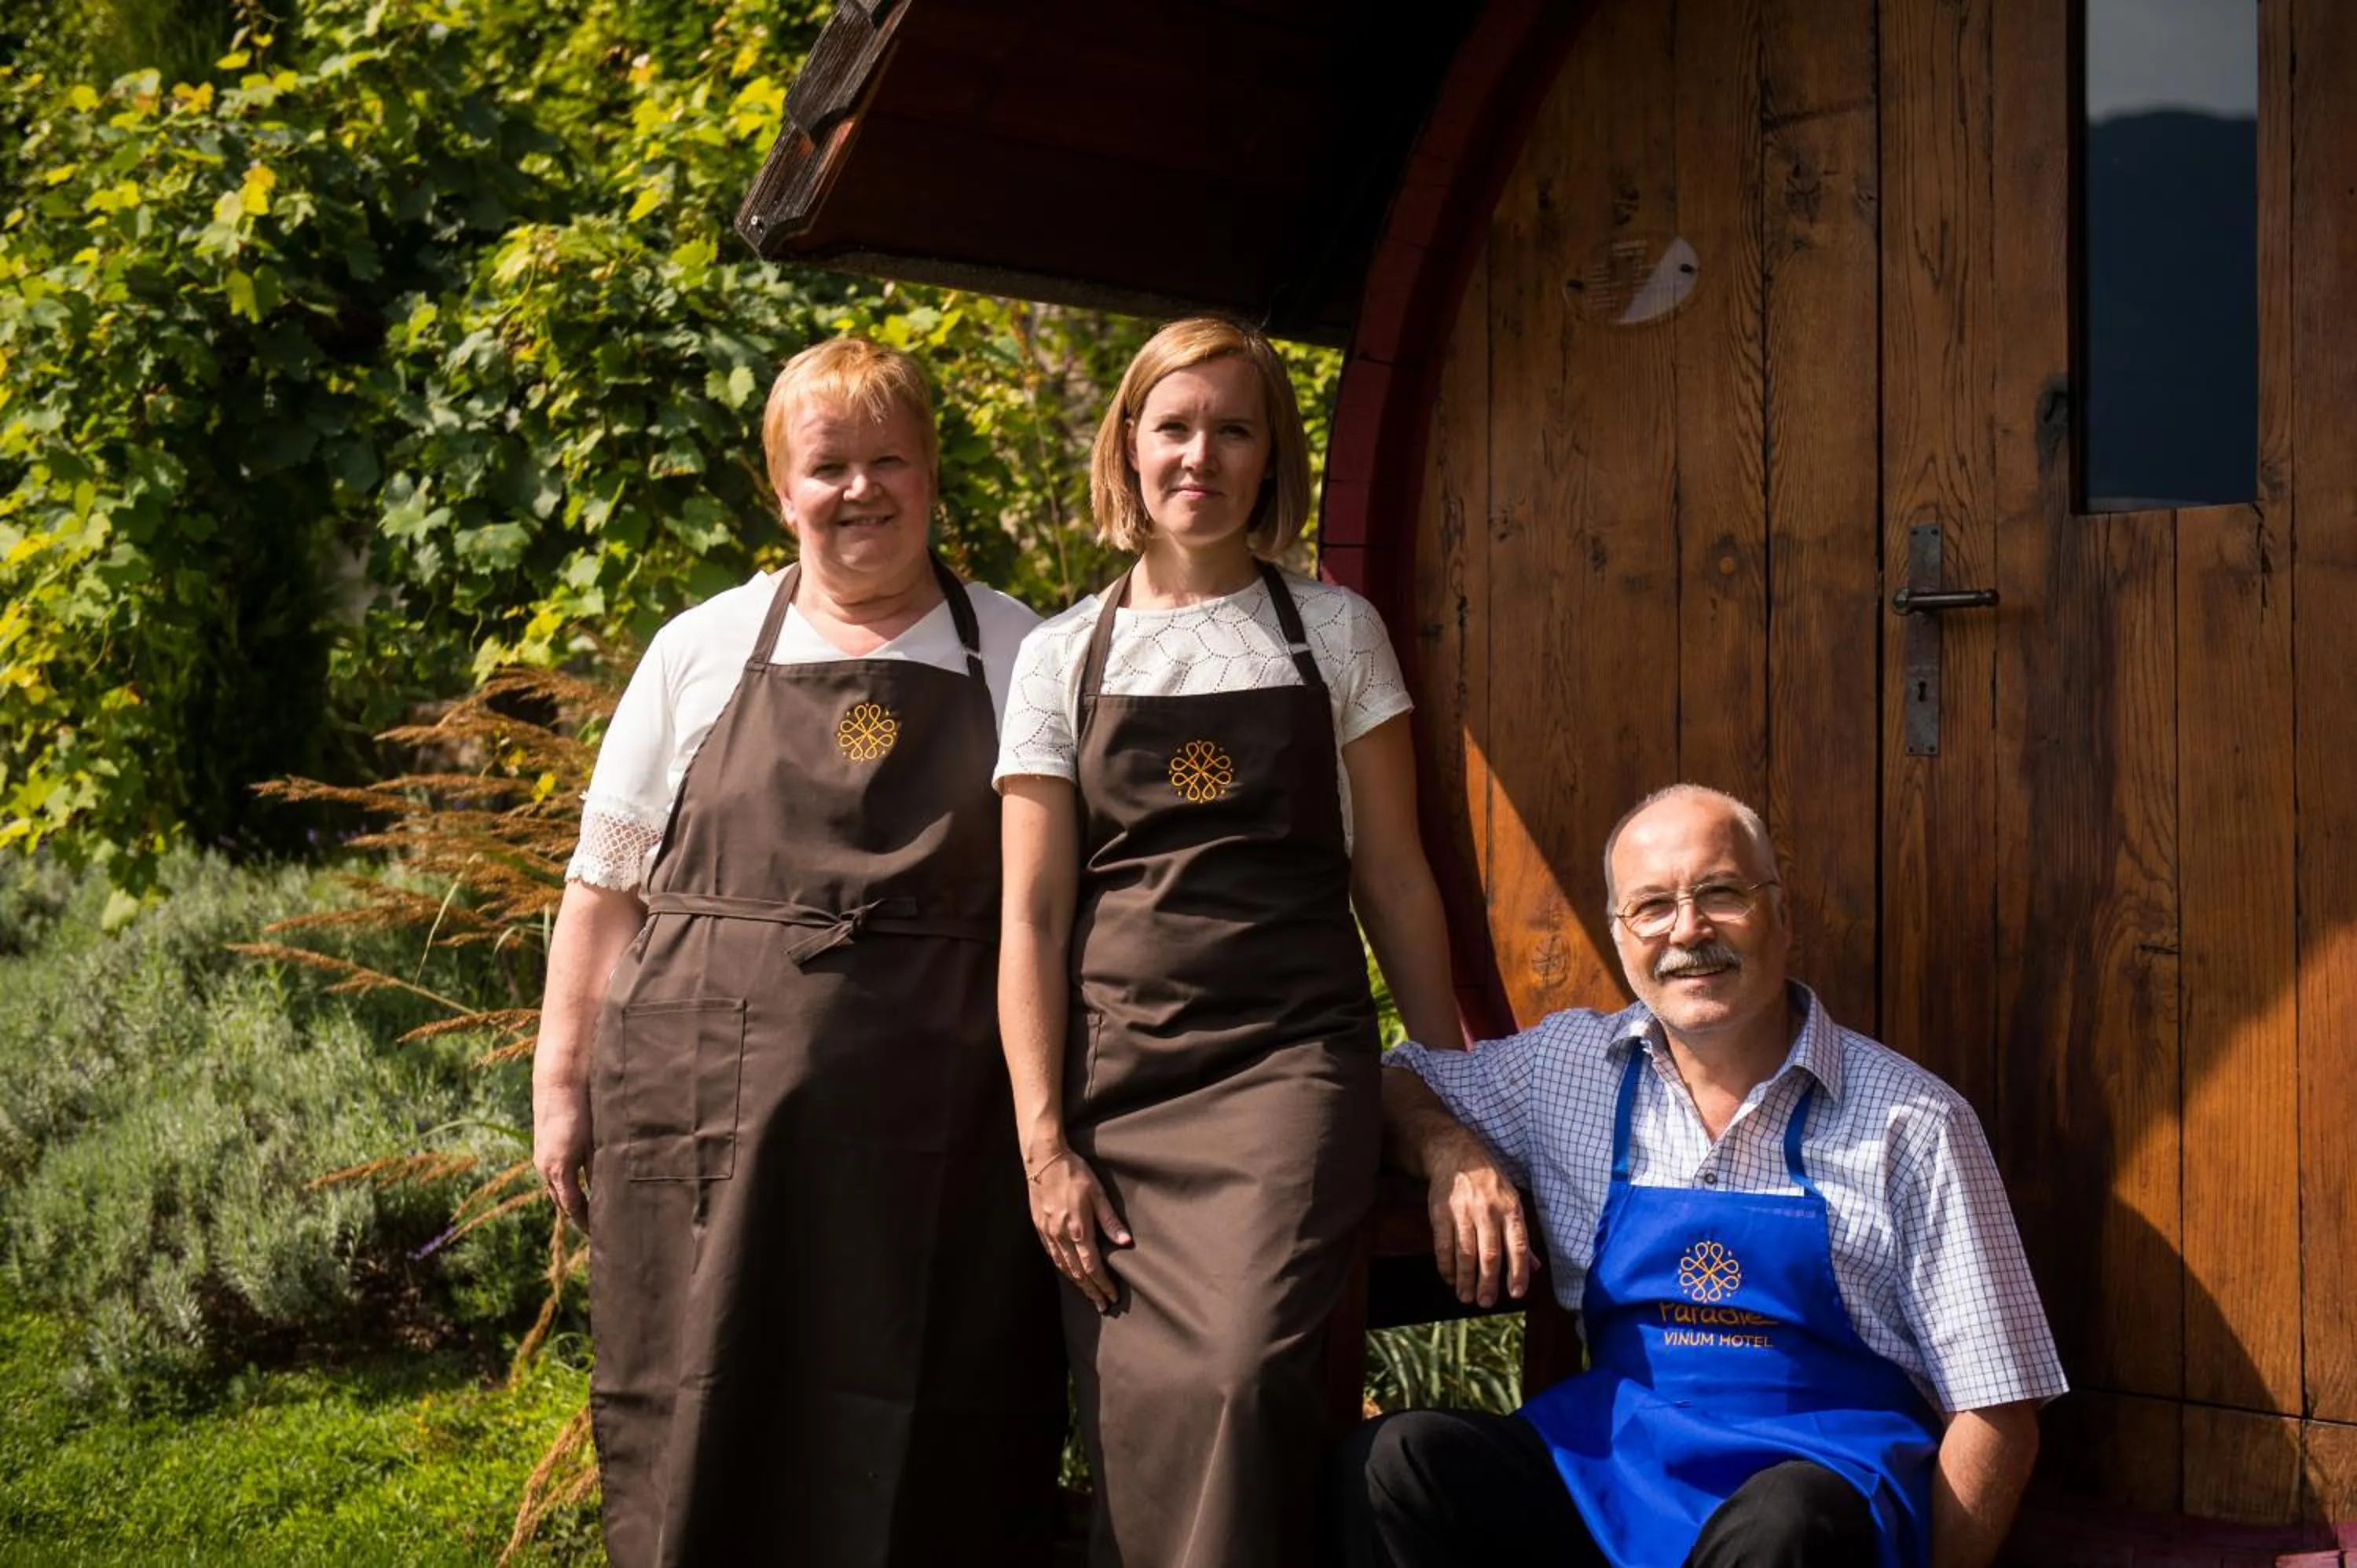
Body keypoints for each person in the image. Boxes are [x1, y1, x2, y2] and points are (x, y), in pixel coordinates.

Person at [530, 338, 1065, 1568]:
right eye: (829, 466)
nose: (861, 490)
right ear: (782, 489)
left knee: (940, 1424)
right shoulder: (700, 649)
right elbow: (604, 888)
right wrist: (562, 1086)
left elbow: (1062, 895)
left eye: (891, 460)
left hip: (947, 1129)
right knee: (707, 1395)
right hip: (712, 1121)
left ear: (933, 475)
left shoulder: (1024, 648)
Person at [995, 316, 1461, 1567]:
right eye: (1175, 427)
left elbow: (1397, 877)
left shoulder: (1335, 631)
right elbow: (1032, 921)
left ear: (1271, 459)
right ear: (1128, 449)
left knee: (1246, 1378)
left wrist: (1452, 1080)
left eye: (1234, 428)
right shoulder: (1056, 659)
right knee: (1134, 1404)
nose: (1200, 455)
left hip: (1286, 1071)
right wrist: (1045, 1145)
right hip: (1119, 1086)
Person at [1339, 783, 2066, 1568]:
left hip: (1812, 1500)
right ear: (1621, 936)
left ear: (1782, 917)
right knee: (1397, 1461)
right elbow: (1390, 1079)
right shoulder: (1567, 1069)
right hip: (1614, 1480)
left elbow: (1999, 1410)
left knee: (1787, 1520)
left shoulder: (1913, 1121)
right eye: (1653, 906)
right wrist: (1451, 1149)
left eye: (1721, 893)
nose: (1688, 929)